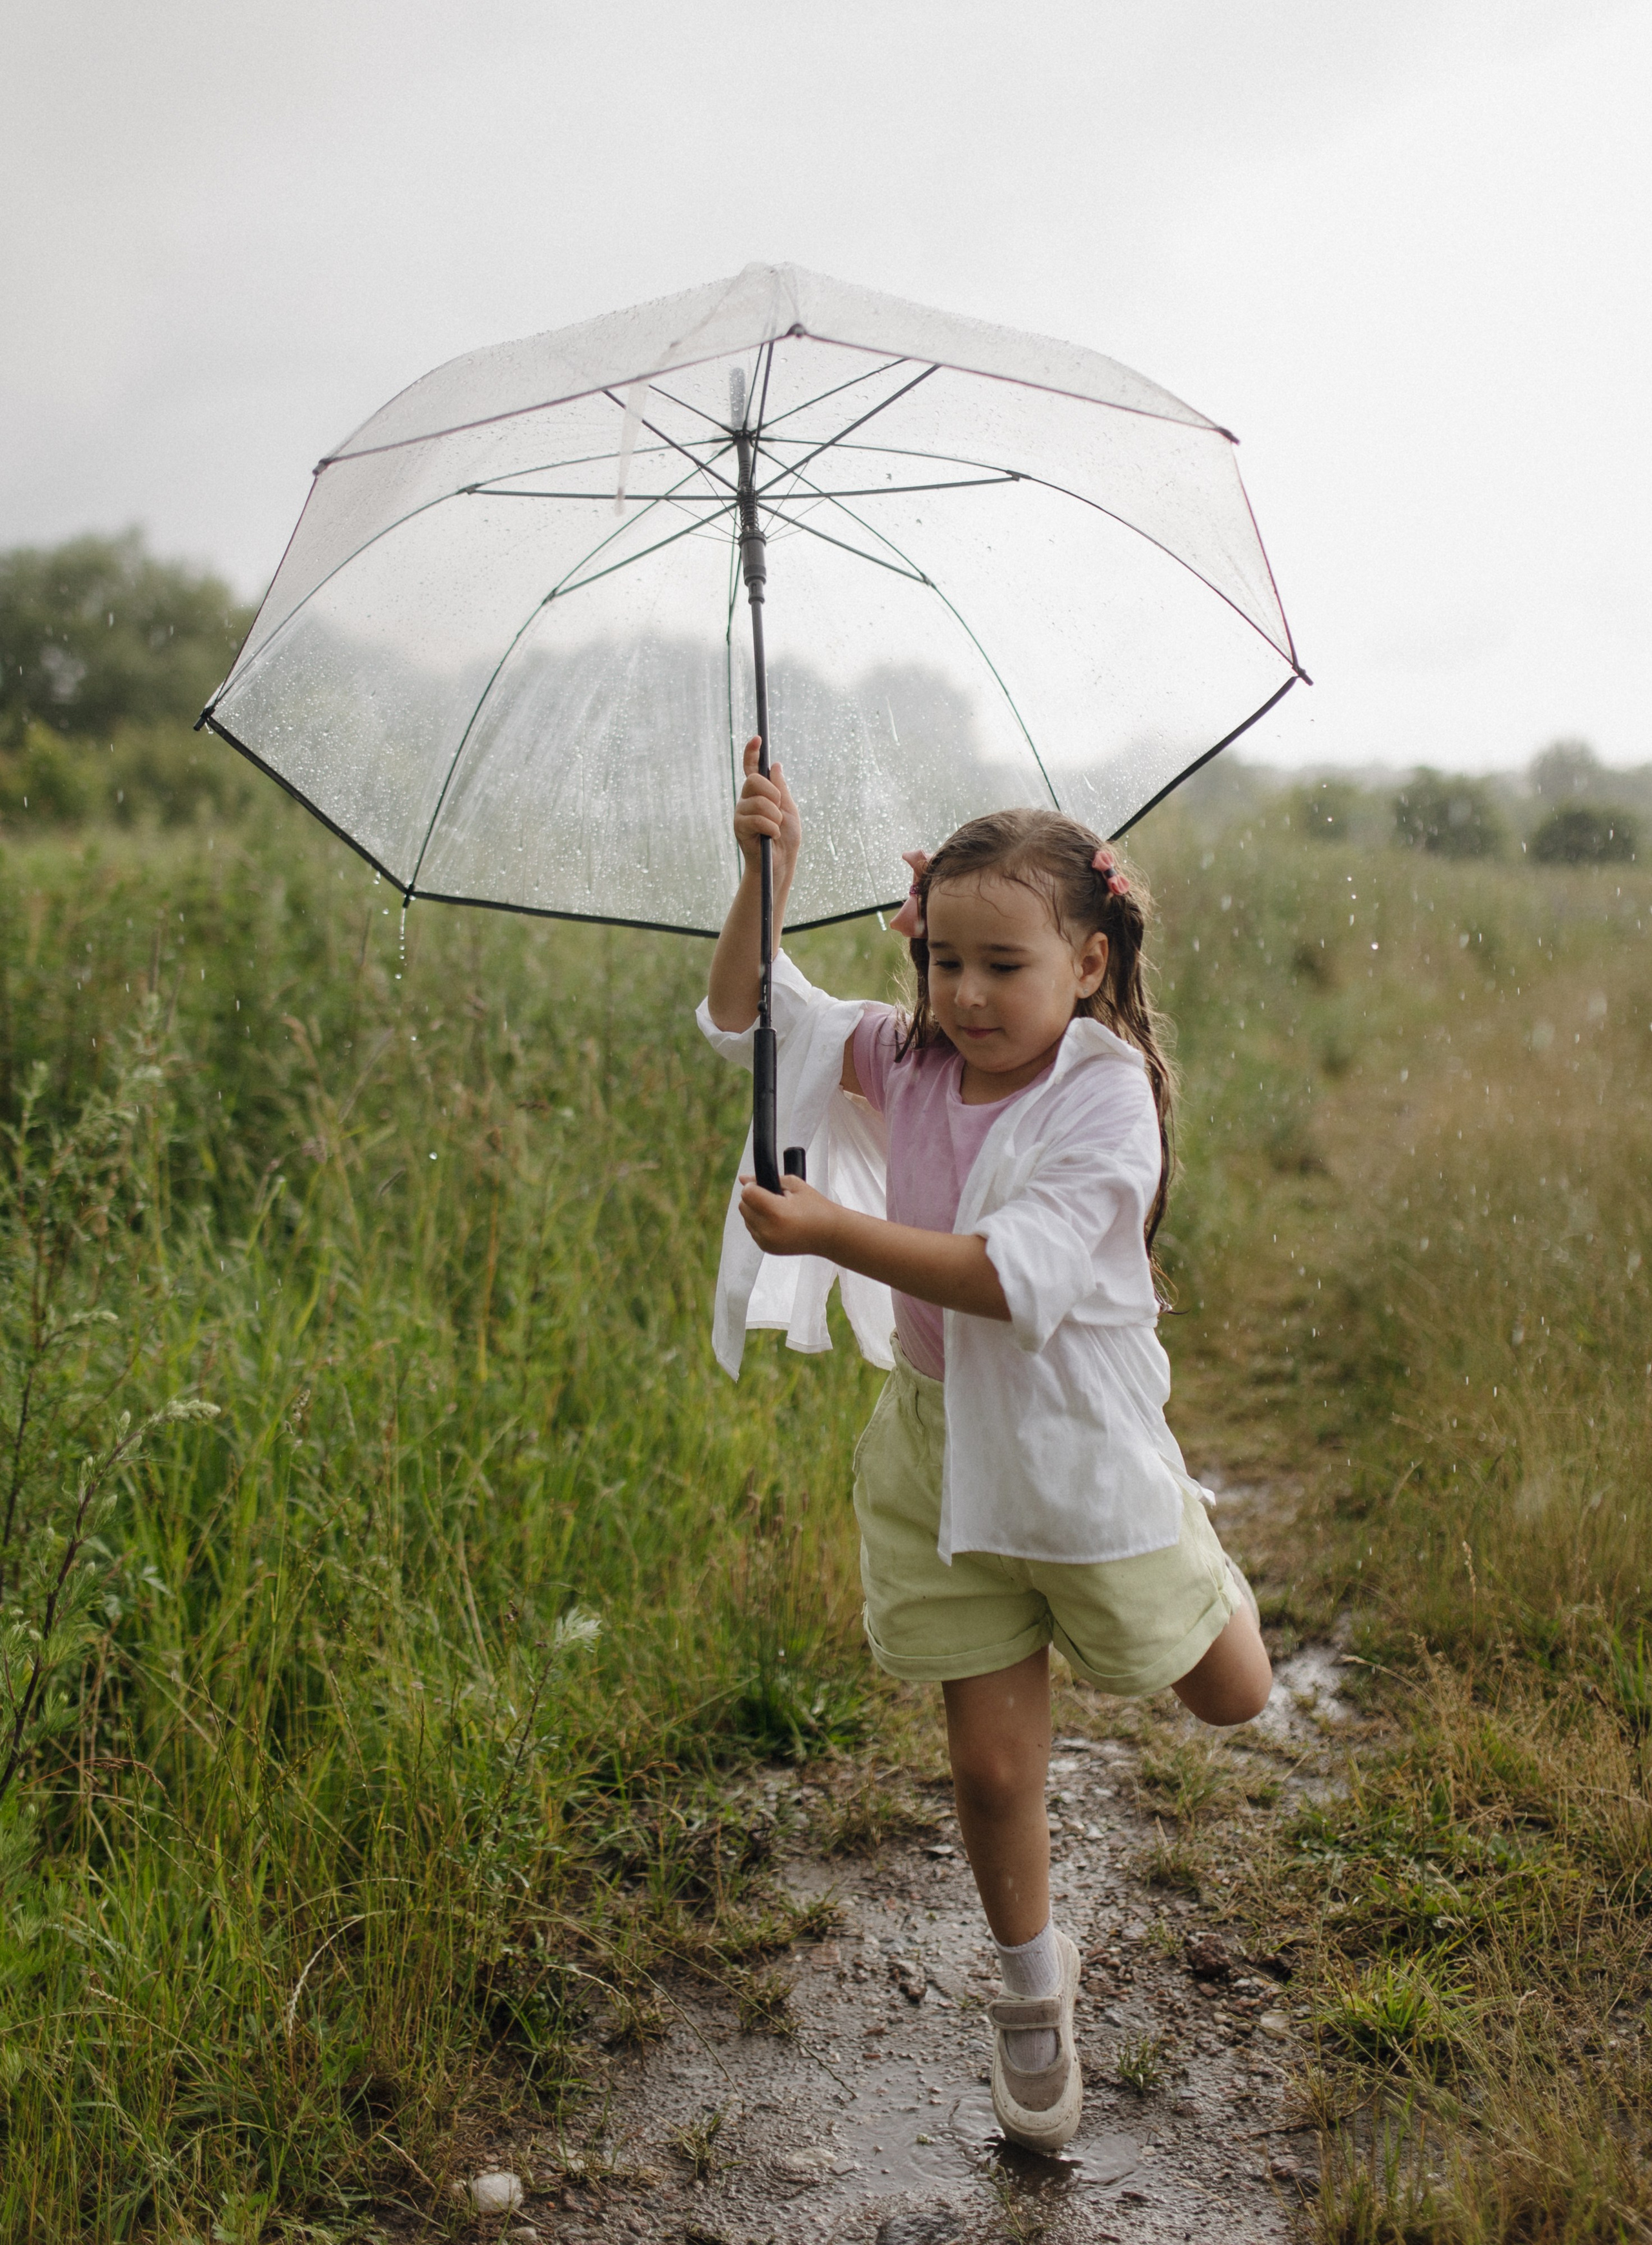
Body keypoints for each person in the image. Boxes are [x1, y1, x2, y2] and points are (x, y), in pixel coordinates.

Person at [701, 738, 1272, 2153]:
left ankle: (1194, 1551)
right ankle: (1028, 1985)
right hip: (933, 1444)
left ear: (1085, 961)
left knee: (1231, 1699)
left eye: (999, 966)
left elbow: (1010, 1276)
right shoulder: (899, 1058)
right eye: (941, 959)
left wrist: (833, 1230)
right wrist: (762, 882)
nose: (962, 994)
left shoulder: (1100, 1093)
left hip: (1075, 1443)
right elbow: (736, 1019)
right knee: (992, 1769)